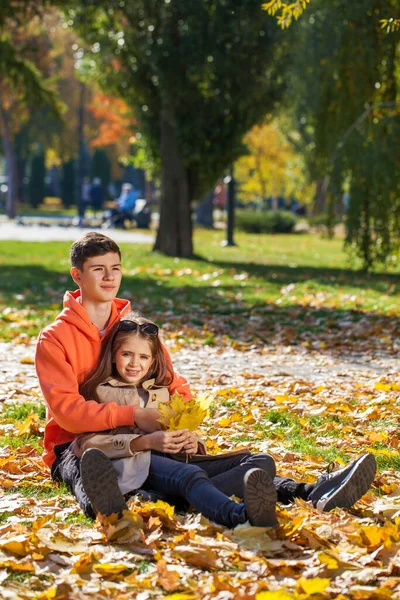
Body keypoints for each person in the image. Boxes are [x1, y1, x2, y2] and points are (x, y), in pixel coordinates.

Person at [35, 232, 376, 527]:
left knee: (226, 466)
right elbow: (67, 413)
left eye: (116, 269)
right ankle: (124, 505)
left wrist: (182, 426)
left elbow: (173, 383)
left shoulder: (131, 330)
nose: (109, 277)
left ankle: (310, 492)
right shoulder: (55, 338)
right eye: (99, 270)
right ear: (77, 276)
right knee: (95, 475)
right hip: (78, 443)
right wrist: (136, 417)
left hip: (148, 436)